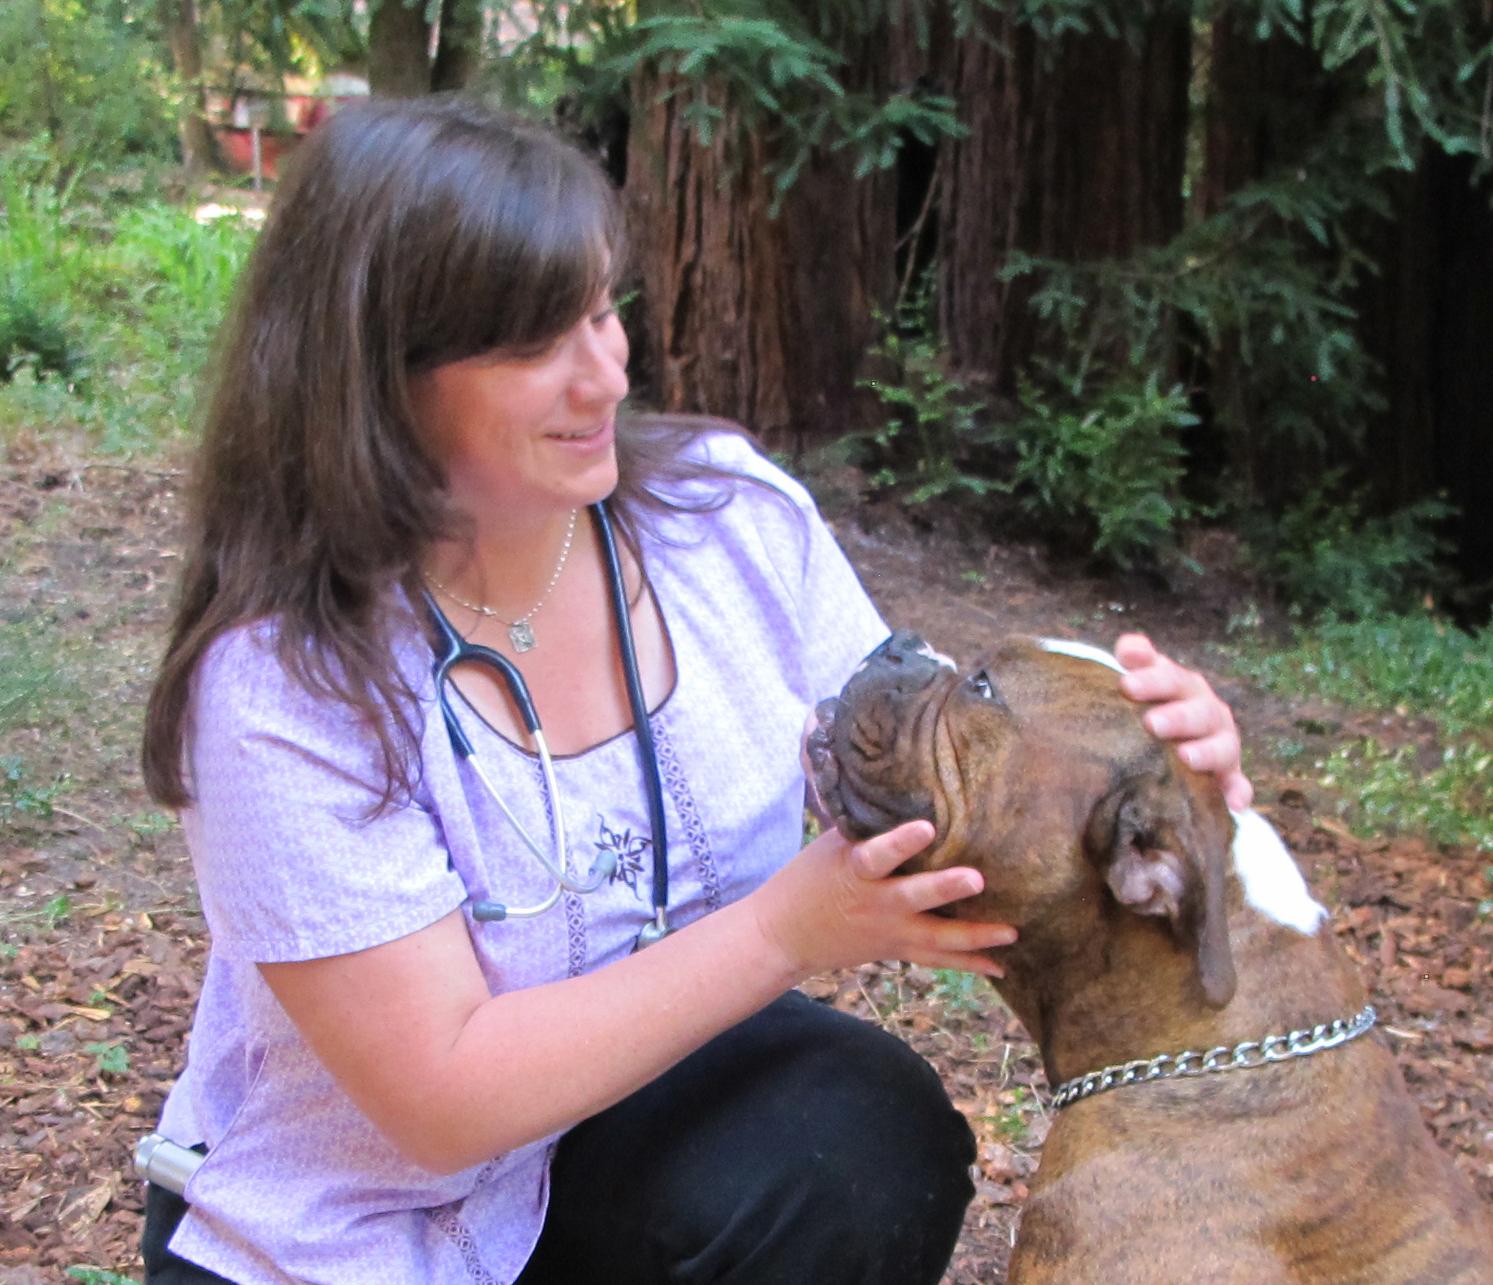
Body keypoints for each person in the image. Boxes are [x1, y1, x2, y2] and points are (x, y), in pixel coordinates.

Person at [137, 96, 1252, 1285]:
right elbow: (442, 1102)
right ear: (370, 378)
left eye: (602, 307)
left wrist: (1158, 769)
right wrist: (782, 930)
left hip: (618, 1147)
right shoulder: (282, 683)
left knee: (859, 1136)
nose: (607, 372)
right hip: (345, 1229)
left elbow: (926, 770)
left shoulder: (722, 522)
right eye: (534, 343)